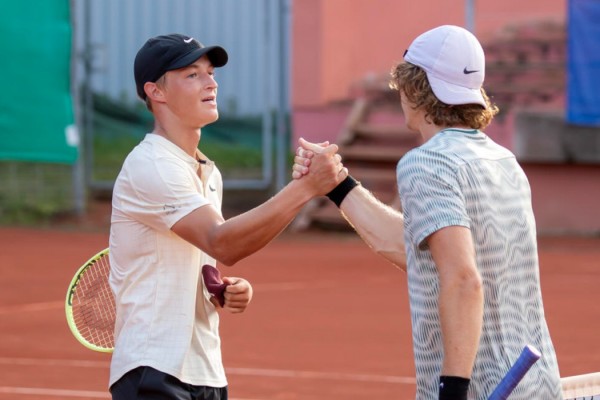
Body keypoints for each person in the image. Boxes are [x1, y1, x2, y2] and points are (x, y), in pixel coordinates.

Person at [294, 25, 563, 399]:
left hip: (481, 388)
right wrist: (337, 185)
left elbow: (463, 278)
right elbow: (416, 250)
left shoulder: (426, 164)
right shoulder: (504, 161)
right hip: (537, 385)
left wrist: (452, 389)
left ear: (413, 87)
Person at [108, 33, 347, 400]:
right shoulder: (152, 164)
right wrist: (305, 188)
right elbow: (222, 241)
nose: (211, 82)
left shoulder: (204, 170)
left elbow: (211, 250)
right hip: (154, 368)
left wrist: (220, 288)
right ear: (156, 92)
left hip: (204, 369)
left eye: (210, 72)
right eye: (192, 74)